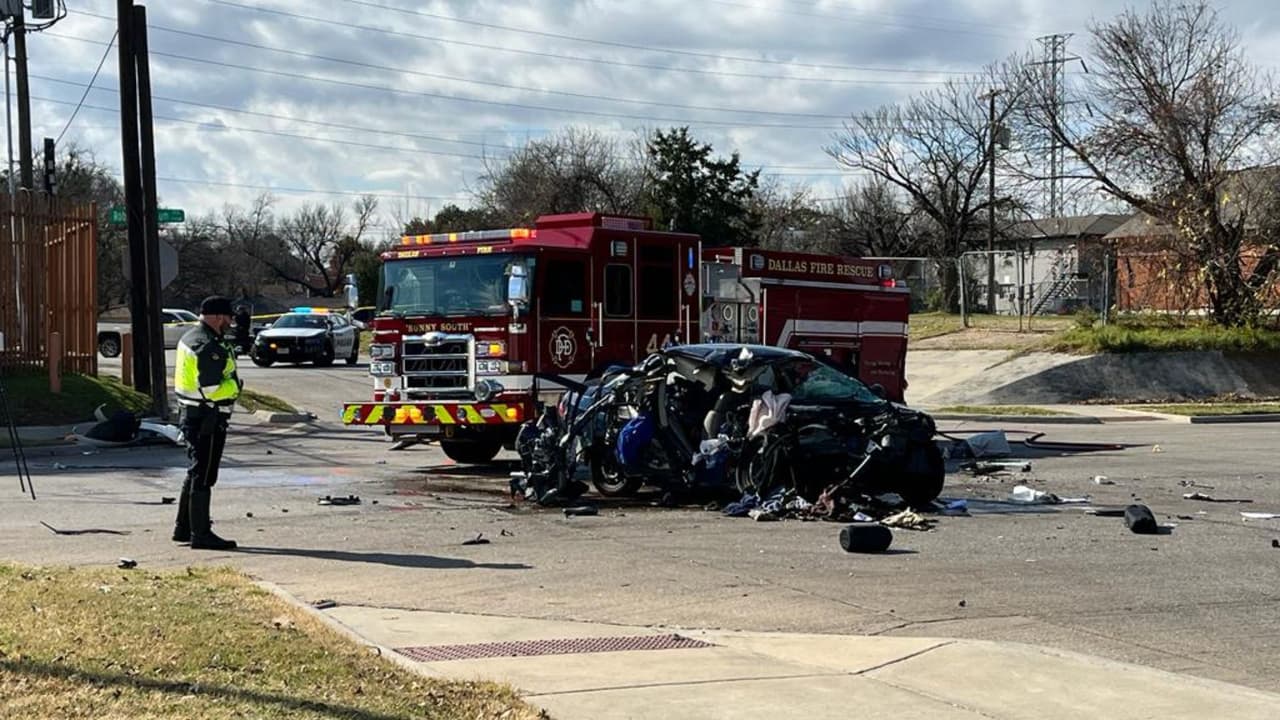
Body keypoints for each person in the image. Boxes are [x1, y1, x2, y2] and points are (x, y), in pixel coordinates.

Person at [172, 296, 242, 550]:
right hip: (207, 417)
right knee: (204, 475)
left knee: (195, 471)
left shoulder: (190, 337)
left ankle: (184, 528)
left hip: (192, 414)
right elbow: (212, 389)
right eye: (227, 317)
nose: (230, 322)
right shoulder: (208, 346)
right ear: (214, 316)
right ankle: (201, 534)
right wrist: (235, 386)